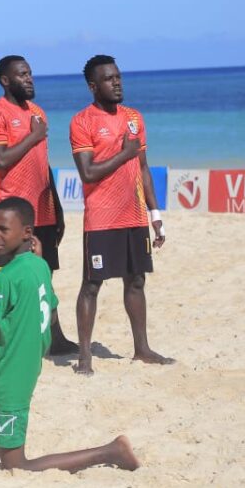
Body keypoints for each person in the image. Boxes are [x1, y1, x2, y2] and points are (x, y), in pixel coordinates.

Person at [0, 197, 140, 472]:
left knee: (16, 464)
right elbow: (51, 313)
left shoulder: (5, 277)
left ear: (27, 233)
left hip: (9, 378)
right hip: (11, 363)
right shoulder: (40, 266)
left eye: (3, 229)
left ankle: (110, 451)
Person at [70, 55, 173, 375]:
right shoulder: (82, 122)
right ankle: (84, 355)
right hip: (102, 217)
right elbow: (87, 172)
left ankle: (142, 349)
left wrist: (155, 212)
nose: (116, 82)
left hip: (135, 216)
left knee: (137, 281)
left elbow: (143, 168)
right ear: (93, 86)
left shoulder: (134, 118)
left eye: (118, 77)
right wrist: (124, 153)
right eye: (108, 78)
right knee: (92, 284)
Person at [0, 55, 78, 355]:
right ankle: (9, 338)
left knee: (44, 274)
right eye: (22, 74)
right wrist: (33, 135)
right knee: (14, 276)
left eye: (30, 73)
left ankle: (54, 337)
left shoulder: (37, 113)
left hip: (42, 208)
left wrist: (57, 208)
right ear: (5, 80)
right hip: (12, 211)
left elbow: (42, 163)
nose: (29, 79)